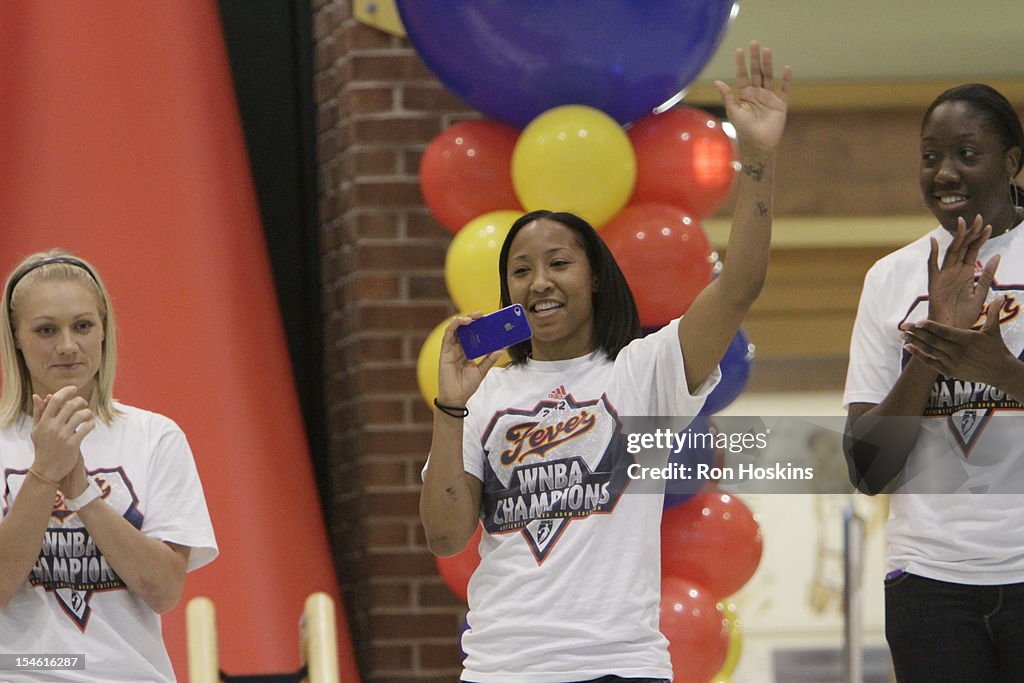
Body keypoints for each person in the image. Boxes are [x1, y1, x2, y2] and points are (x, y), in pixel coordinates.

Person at [421, 42, 790, 683]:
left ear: (595, 279)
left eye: (559, 263)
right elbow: (447, 536)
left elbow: (738, 288)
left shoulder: (642, 373)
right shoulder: (484, 394)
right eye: (521, 269)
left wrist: (756, 157)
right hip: (502, 668)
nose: (539, 282)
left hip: (619, 665)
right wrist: (451, 408)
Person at [844, 83, 1024, 682]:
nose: (945, 172)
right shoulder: (889, 278)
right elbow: (868, 471)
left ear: (1012, 163)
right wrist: (931, 345)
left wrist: (1000, 372)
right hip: (930, 586)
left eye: (967, 154)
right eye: (930, 156)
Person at [0, 250, 218, 682]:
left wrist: (82, 492)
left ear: (104, 331)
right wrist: (44, 474)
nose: (67, 346)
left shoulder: (156, 436)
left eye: (83, 326)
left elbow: (165, 590)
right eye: (46, 330)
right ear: (17, 338)